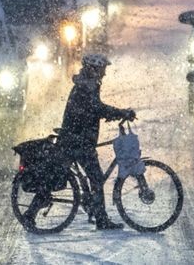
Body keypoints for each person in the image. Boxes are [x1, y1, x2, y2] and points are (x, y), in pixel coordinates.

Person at [56, 53, 135, 230]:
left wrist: (110, 114)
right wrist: (121, 113)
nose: (104, 74)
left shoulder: (86, 84)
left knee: (83, 177)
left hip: (77, 139)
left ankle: (94, 208)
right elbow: (96, 108)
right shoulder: (86, 86)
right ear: (93, 69)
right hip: (78, 141)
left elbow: (94, 109)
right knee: (97, 179)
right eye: (102, 69)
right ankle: (101, 219)